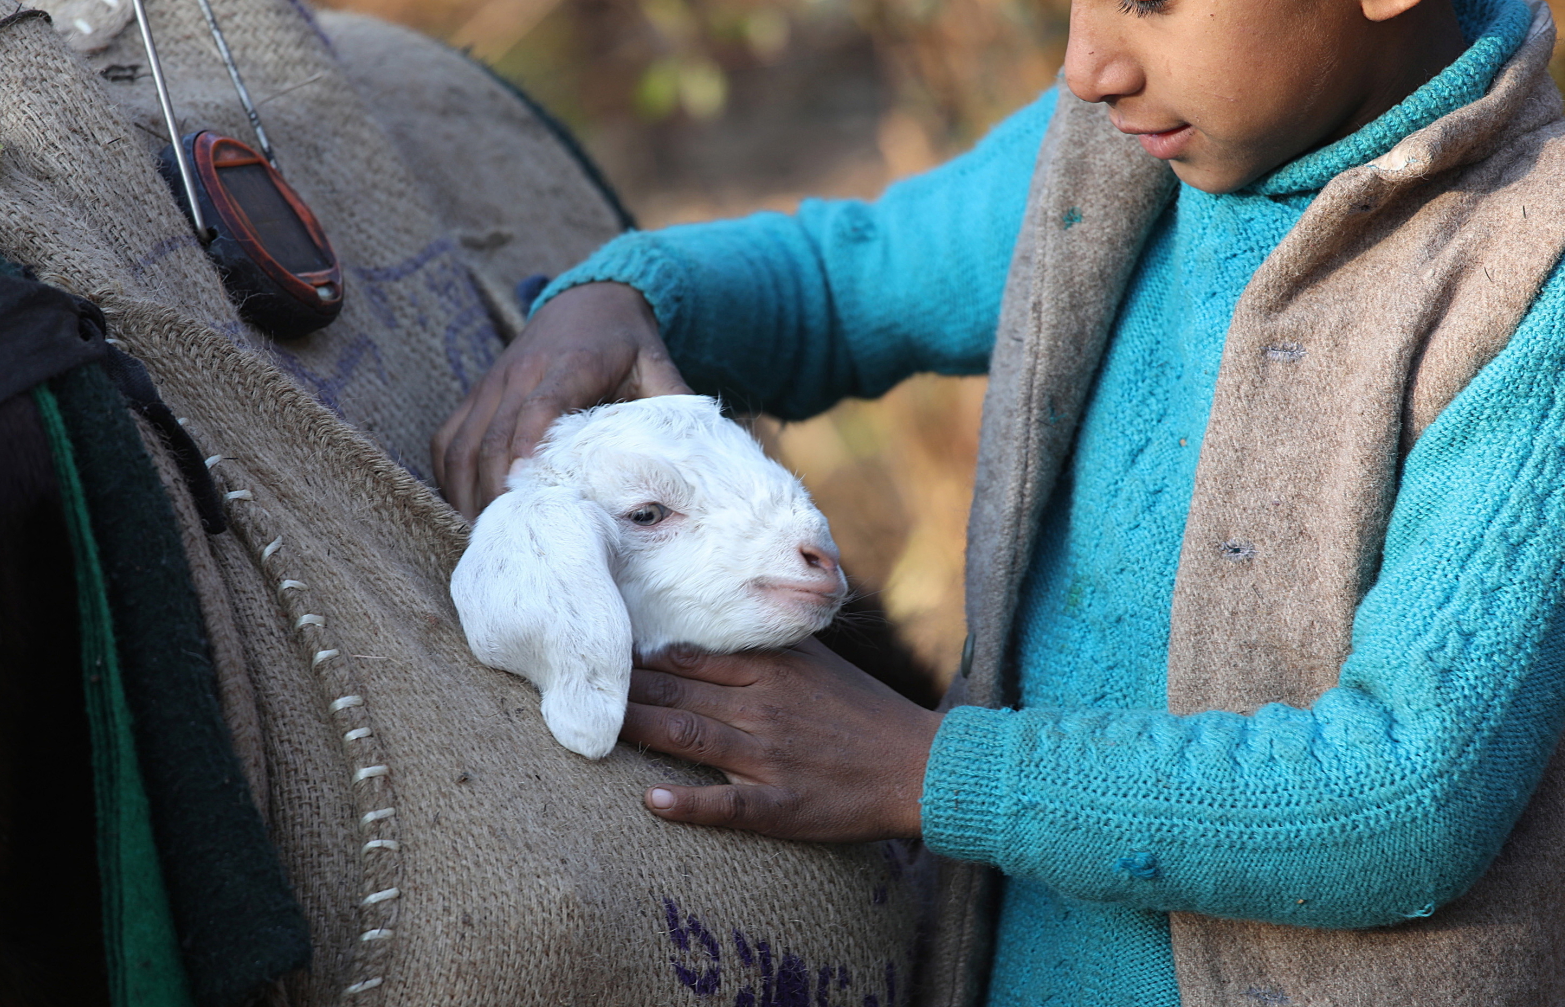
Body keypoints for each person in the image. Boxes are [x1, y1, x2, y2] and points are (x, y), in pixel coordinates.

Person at [432, 0, 1565, 1000]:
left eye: (1149, 1)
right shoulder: (1112, 151)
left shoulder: (1529, 282)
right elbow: (845, 279)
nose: (1084, 64)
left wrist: (921, 769)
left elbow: (1411, 791)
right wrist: (626, 293)